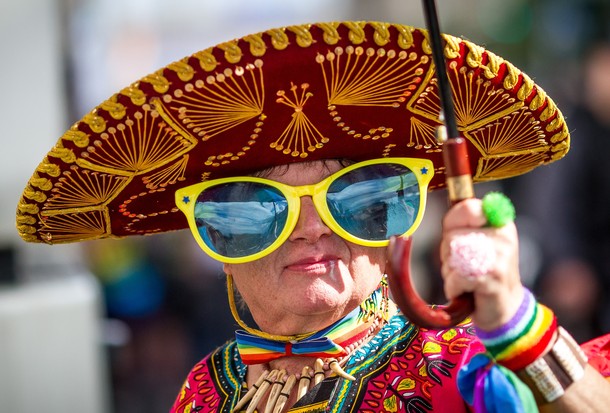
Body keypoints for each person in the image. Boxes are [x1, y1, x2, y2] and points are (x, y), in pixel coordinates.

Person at [15, 21, 610, 412]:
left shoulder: (463, 364)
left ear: (397, 226)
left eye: (356, 198)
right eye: (254, 209)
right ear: (213, 244)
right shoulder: (203, 390)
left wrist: (513, 322)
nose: (312, 227)